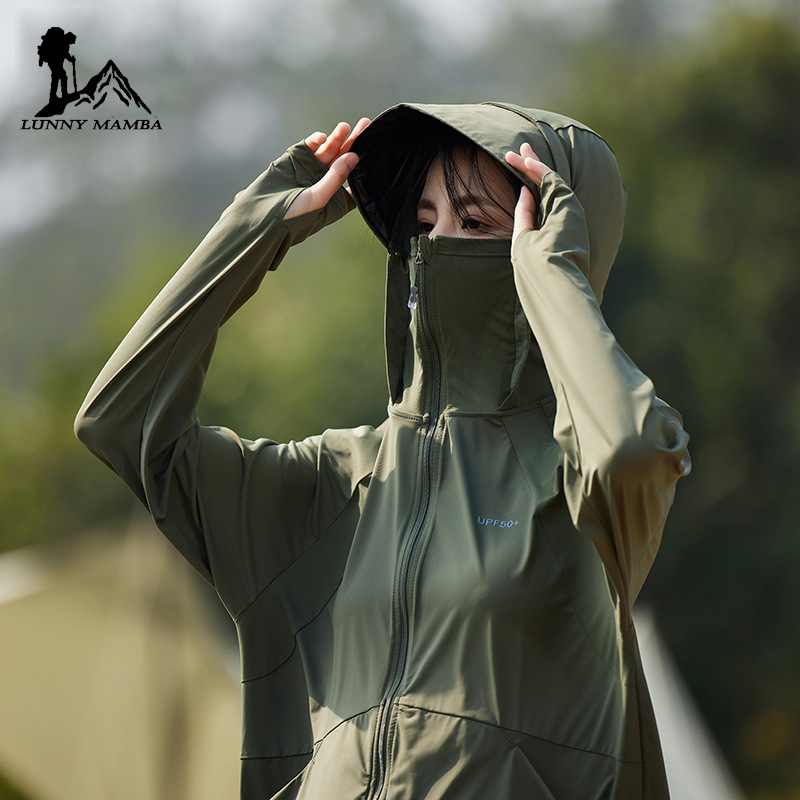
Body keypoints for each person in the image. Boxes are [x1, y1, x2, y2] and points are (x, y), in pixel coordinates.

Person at [75, 102, 691, 799]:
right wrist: (258, 228)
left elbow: (632, 450)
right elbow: (118, 422)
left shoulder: (579, 484)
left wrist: (554, 276)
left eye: (476, 224)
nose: (437, 247)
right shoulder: (333, 483)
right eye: (422, 224)